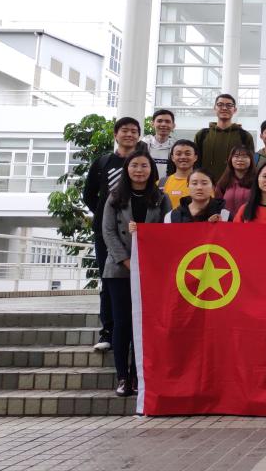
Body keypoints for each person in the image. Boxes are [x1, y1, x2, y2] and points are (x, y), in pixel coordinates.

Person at [101, 150, 170, 397]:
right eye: (134, 166)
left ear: (152, 169)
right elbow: (108, 232)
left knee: (145, 325)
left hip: (151, 270)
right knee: (122, 324)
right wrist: (127, 261)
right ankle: (122, 376)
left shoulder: (161, 198)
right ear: (127, 169)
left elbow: (168, 230)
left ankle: (139, 375)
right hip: (119, 269)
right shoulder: (115, 197)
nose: (139, 170)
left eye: (144, 166)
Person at [83, 116, 142, 353]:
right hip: (105, 232)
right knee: (108, 280)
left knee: (139, 281)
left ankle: (135, 329)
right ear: (116, 134)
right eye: (124, 130)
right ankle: (107, 331)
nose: (129, 134)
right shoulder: (103, 162)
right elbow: (89, 195)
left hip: (137, 232)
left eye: (134, 131)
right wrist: (105, 215)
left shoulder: (141, 162)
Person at [194, 94, 255, 183]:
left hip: (234, 186)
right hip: (206, 185)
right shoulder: (202, 135)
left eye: (229, 105)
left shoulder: (244, 136)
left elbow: (250, 164)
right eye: (220, 105)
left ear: (235, 110)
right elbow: (195, 162)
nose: (224, 108)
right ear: (214, 108)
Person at [165, 169, 230, 223]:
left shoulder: (224, 215)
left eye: (204, 183)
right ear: (188, 186)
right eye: (194, 183)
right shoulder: (171, 216)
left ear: (213, 187)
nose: (199, 187)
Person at [215, 146, 255, 216]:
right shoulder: (223, 182)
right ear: (230, 159)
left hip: (249, 220)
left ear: (251, 160)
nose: (240, 159)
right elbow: (217, 204)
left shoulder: (257, 181)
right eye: (236, 156)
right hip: (227, 221)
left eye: (244, 156)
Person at [159, 140, 198, 210]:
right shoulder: (161, 183)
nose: (183, 157)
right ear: (172, 158)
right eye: (178, 154)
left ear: (195, 157)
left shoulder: (204, 183)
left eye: (187, 154)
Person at [141, 109, 176, 179]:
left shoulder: (176, 147)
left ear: (173, 125)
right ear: (152, 124)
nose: (163, 124)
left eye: (167, 121)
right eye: (159, 121)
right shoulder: (142, 145)